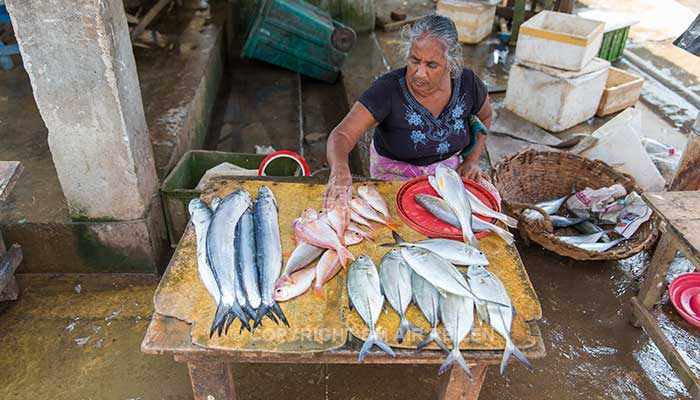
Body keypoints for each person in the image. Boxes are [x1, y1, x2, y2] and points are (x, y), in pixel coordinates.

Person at [323, 15, 492, 209]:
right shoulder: (387, 90)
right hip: (395, 176)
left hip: (447, 173)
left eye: (431, 65)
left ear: (451, 63)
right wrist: (340, 170)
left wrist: (471, 160)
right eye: (415, 61)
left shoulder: (468, 84)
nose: (420, 73)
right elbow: (342, 134)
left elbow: (485, 116)